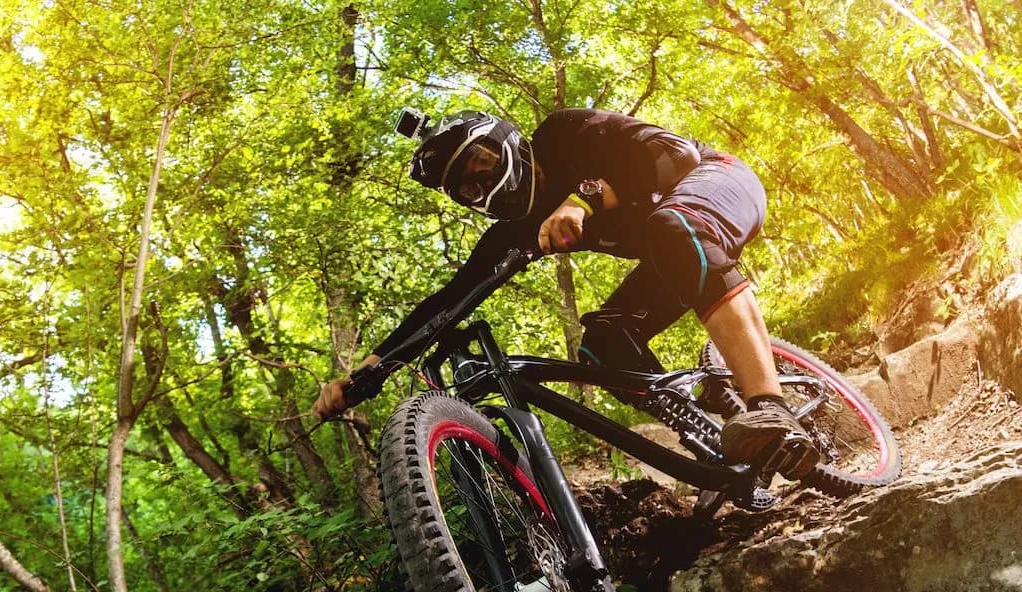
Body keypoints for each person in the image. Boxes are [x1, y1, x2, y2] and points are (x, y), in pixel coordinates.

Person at [313, 107, 819, 478]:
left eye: (481, 164)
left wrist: (583, 199)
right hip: (672, 250)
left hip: (718, 183)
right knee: (602, 345)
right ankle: (726, 431)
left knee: (672, 227)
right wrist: (364, 376)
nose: (481, 185)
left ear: (505, 140)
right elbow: (445, 304)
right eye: (467, 188)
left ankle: (767, 401)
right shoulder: (513, 232)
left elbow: (672, 155)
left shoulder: (565, 134)